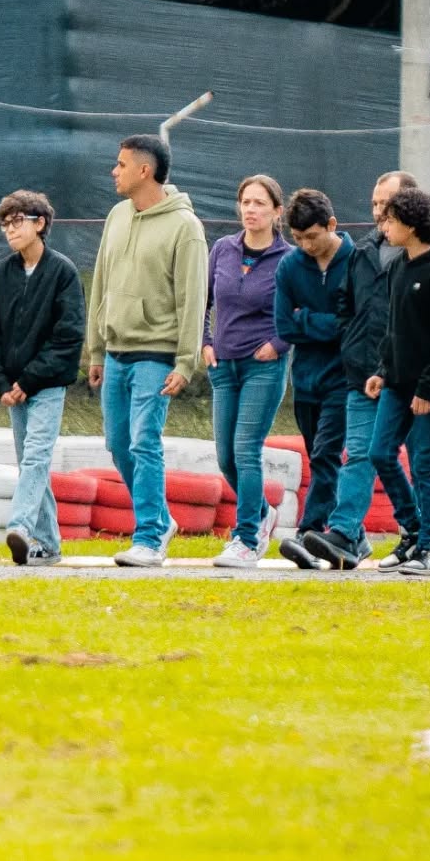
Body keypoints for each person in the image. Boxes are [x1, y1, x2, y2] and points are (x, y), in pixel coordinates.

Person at [310, 185, 430, 576]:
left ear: (413, 225)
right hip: (396, 384)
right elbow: (395, 330)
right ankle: (413, 529)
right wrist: (383, 372)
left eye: (391, 220)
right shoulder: (398, 266)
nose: (383, 226)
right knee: (380, 453)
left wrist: (428, 388)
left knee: (426, 461)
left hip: (428, 389)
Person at [86, 134, 207, 568]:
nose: (113, 172)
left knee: (144, 442)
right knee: (118, 444)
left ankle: (150, 537)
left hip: (158, 355)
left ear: (145, 171)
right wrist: (96, 350)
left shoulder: (185, 228)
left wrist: (186, 361)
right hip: (115, 352)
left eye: (120, 164)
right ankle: (160, 518)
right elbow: (100, 281)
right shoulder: (117, 216)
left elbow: (193, 299)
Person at [290, 170, 413, 570]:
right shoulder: (364, 254)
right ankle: (344, 535)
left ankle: (421, 534)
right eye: (375, 203)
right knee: (359, 453)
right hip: (362, 376)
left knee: (419, 460)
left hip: (414, 378)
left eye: (387, 204)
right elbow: (347, 306)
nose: (378, 212)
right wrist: (353, 346)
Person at [0, 190, 86, 566]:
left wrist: (29, 380)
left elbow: (69, 335)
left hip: (47, 385)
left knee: (36, 458)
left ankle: (20, 528)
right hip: (13, 387)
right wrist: (0, 381)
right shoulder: (2, 274)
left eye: (18, 221)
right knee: (29, 460)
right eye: (5, 224)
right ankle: (50, 544)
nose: (10, 230)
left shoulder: (63, 272)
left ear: (40, 224)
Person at [201, 174, 289, 568]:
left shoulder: (289, 259)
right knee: (225, 457)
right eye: (246, 202)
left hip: (263, 367)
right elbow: (200, 301)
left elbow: (303, 311)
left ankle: (245, 540)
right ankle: (262, 514)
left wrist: (278, 344)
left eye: (259, 203)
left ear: (277, 211)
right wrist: (204, 342)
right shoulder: (222, 249)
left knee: (245, 450)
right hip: (223, 365)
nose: (250, 210)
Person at [273, 188, 353, 555]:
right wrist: (327, 324)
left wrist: (307, 318)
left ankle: (309, 530)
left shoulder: (356, 262)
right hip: (305, 379)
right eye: (298, 238)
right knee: (318, 455)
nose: (305, 245)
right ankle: (352, 536)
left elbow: (355, 324)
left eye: (312, 237)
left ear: (331, 225)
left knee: (325, 453)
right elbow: (284, 327)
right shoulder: (289, 267)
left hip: (345, 376)